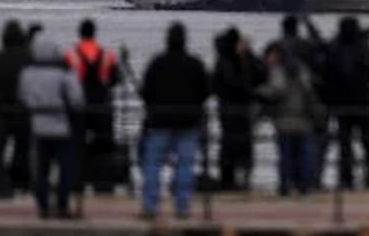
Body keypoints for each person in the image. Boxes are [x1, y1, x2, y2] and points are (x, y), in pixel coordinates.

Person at [139, 22, 210, 221]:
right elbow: (205, 91)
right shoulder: (195, 64)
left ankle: (150, 206)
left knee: (153, 165)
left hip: (160, 121)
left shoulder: (156, 63)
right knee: (185, 166)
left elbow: (146, 92)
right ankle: (182, 207)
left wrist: (154, 107)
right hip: (188, 121)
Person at [19, 37, 84, 220]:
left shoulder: (27, 73)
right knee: (66, 168)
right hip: (62, 127)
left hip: (38, 127)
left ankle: (43, 206)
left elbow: (23, 97)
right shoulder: (64, 73)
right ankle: (62, 206)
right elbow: (77, 99)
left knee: (41, 170)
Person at [64, 19, 122, 193]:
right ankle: (103, 184)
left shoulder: (70, 55)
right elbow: (115, 79)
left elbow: (64, 81)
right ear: (94, 33)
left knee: (76, 146)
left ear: (80, 33)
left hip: (78, 107)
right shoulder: (107, 55)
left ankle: (75, 183)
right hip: (101, 107)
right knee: (104, 146)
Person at [325, 16, 369, 188]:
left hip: (343, 104)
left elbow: (327, 73)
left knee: (345, 146)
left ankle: (346, 180)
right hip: (364, 104)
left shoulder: (334, 49)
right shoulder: (365, 49)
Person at [0, 19, 33, 197]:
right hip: (23, 113)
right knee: (23, 151)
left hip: (0, 112)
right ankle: (23, 186)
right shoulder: (28, 58)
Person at [259, 42, 321, 196]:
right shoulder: (302, 69)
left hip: (284, 119)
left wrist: (260, 90)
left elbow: (277, 91)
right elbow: (308, 90)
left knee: (285, 156)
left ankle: (285, 186)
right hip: (303, 119)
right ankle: (304, 186)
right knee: (302, 156)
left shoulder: (278, 70)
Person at [213, 27, 267, 191]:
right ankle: (231, 180)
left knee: (235, 146)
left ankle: (236, 180)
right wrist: (250, 92)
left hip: (235, 110)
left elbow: (261, 73)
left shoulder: (236, 60)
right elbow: (233, 83)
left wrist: (248, 55)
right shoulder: (227, 61)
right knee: (234, 146)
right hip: (233, 110)